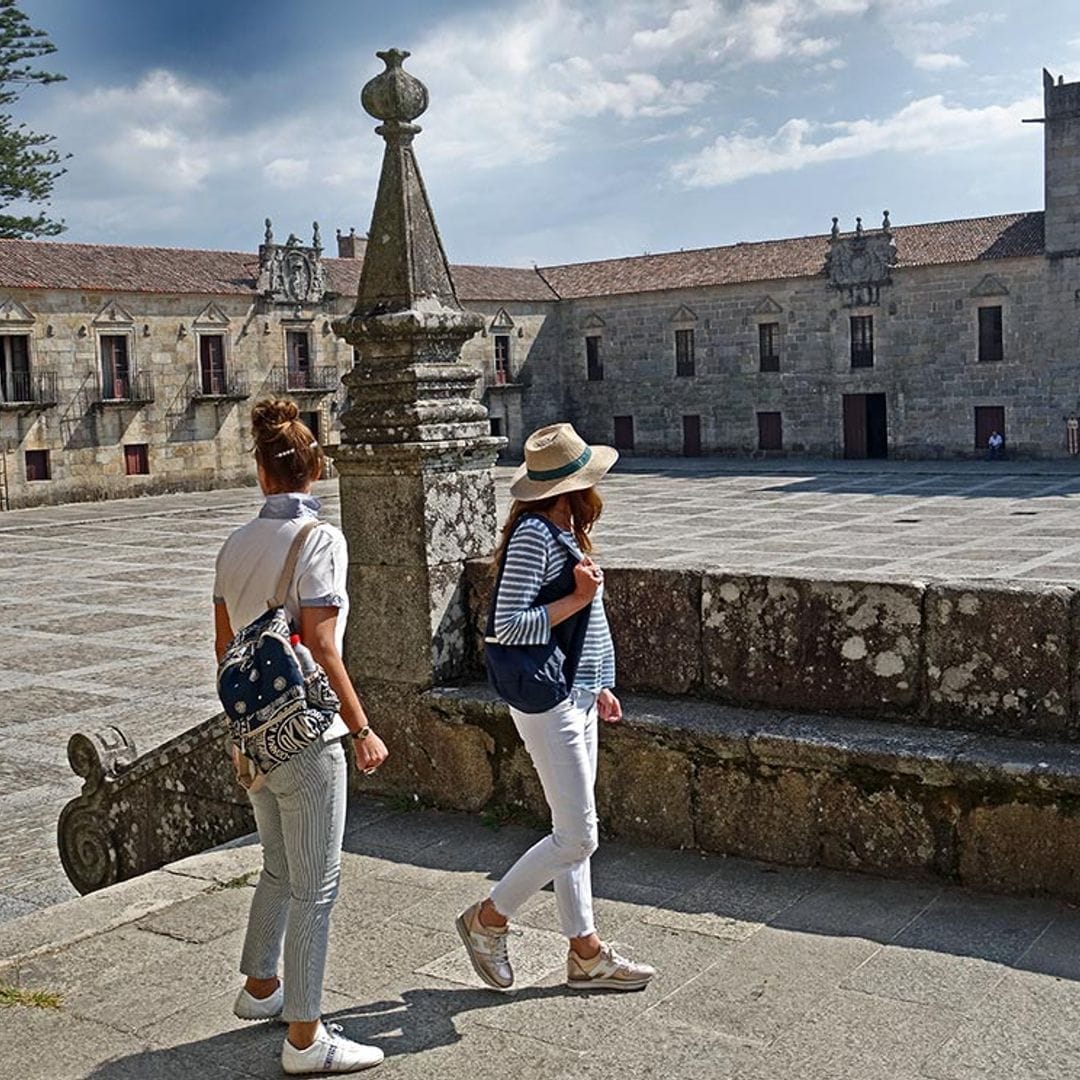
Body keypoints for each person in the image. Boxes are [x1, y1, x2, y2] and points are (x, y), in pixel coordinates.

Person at [213, 399, 388, 1075]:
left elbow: (226, 649)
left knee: (279, 868)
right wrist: (363, 727)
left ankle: (261, 986)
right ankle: (306, 1039)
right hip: (309, 733)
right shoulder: (321, 540)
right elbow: (320, 642)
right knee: (316, 884)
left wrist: (242, 737)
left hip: (254, 732)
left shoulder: (234, 544)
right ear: (315, 470)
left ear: (260, 471)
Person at [456, 422, 656, 992]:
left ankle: (586, 953)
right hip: (549, 701)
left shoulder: (560, 533)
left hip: (576, 692)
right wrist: (577, 597)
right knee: (578, 836)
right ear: (574, 489)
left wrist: (599, 682)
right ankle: (487, 920)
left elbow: (581, 628)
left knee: (572, 828)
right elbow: (508, 626)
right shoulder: (536, 537)